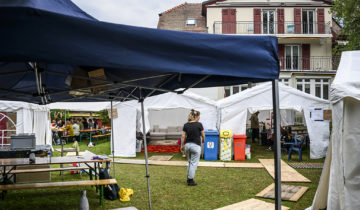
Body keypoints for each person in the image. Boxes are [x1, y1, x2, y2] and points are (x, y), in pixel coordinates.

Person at [180, 109, 205, 186]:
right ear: (196, 117)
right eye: (199, 116)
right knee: (194, 163)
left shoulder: (186, 125)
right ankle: (190, 180)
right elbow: (203, 135)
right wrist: (203, 140)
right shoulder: (199, 124)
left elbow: (183, 136)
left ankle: (188, 178)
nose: (199, 118)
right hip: (196, 146)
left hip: (187, 146)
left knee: (190, 162)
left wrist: (182, 145)